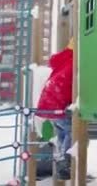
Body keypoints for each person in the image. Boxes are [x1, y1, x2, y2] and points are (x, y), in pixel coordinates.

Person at [36, 38, 74, 180]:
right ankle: (65, 160)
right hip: (56, 101)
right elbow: (73, 86)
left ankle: (60, 157)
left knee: (62, 130)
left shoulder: (65, 58)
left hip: (49, 101)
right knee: (72, 129)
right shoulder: (76, 62)